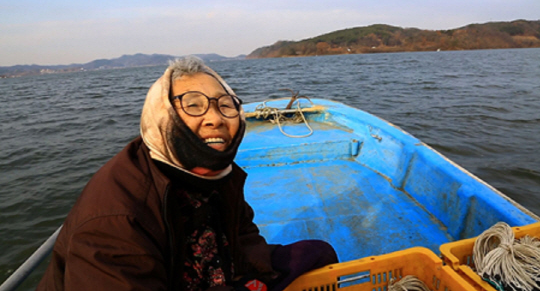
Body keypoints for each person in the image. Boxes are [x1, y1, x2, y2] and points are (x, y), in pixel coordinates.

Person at [37, 57, 337, 291]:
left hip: (217, 272)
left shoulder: (220, 175)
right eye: (193, 106)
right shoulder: (115, 220)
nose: (215, 119)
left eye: (225, 105)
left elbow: (242, 232)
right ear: (161, 115)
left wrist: (254, 277)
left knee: (317, 253)